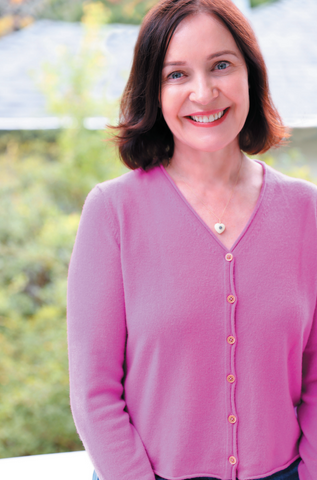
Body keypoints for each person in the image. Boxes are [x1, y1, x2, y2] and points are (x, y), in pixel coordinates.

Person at [66, 0, 317, 479]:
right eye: (176, 74)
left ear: (252, 75)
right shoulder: (113, 213)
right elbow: (93, 394)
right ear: (153, 92)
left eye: (221, 65)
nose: (204, 92)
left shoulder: (308, 212)